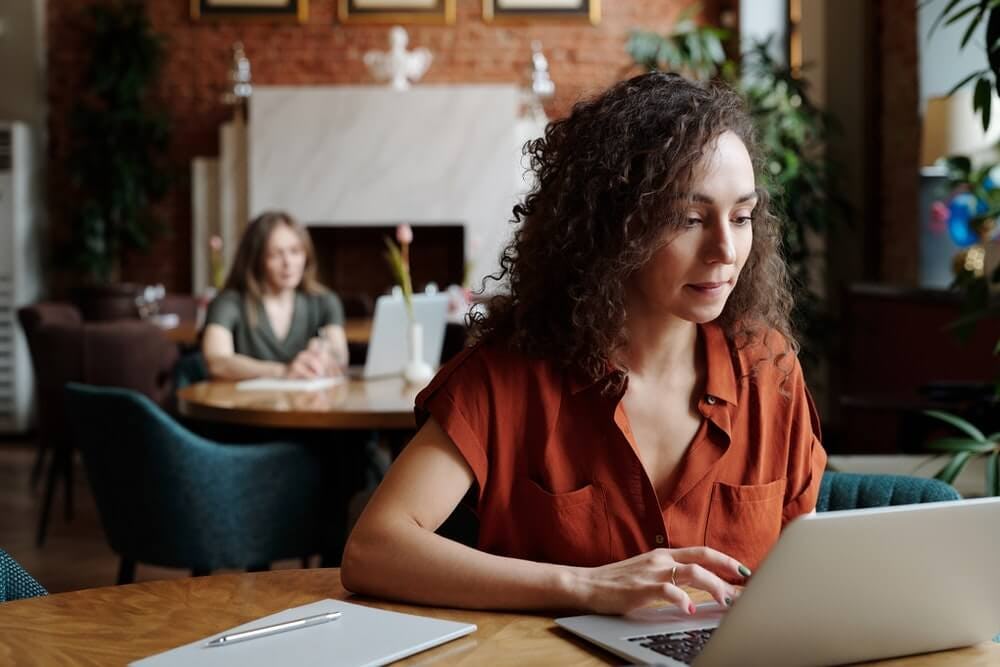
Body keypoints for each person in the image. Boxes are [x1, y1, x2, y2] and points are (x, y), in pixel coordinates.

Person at [341, 72, 827, 616]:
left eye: (741, 217)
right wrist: (585, 587)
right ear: (612, 227)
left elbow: (803, 570)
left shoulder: (768, 368)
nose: (725, 249)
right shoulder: (507, 377)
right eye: (688, 219)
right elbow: (372, 549)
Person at [202, 211, 348, 381]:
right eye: (276, 254)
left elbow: (340, 355)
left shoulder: (325, 301)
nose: (288, 263)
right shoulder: (228, 303)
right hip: (246, 405)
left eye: (295, 251)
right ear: (256, 258)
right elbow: (217, 362)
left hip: (308, 405)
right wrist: (283, 372)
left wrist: (326, 355)